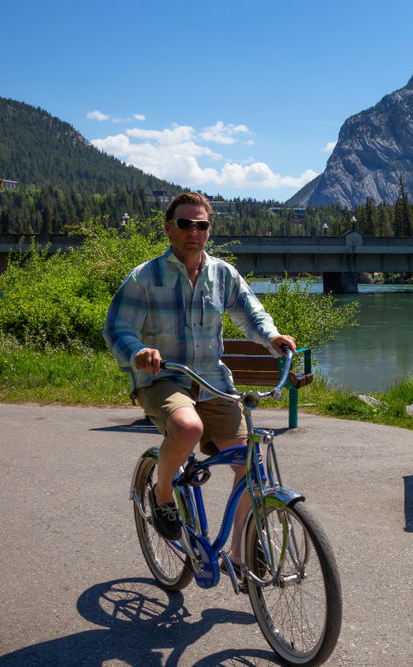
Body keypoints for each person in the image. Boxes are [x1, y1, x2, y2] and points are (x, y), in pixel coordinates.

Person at [103, 192, 295, 570]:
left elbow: (251, 313)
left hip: (212, 379)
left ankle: (240, 553)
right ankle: (162, 496)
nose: (193, 231)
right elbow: (117, 328)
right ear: (169, 228)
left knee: (249, 463)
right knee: (187, 427)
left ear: (209, 230)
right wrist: (138, 351)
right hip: (164, 378)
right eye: (185, 224)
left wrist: (271, 338)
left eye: (201, 225)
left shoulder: (222, 274)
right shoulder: (145, 276)